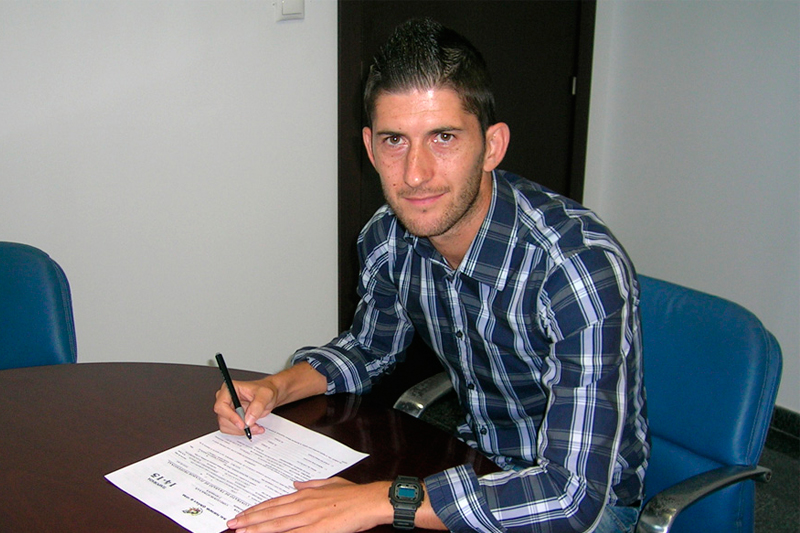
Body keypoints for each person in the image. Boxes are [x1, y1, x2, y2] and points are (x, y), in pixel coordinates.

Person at [214, 18, 649, 533]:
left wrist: (383, 500)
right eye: (395, 141)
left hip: (583, 505)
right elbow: (369, 348)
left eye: (443, 137)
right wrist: (276, 388)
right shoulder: (388, 236)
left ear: (491, 146)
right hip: (473, 461)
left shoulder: (575, 267)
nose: (415, 174)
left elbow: (575, 497)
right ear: (371, 149)